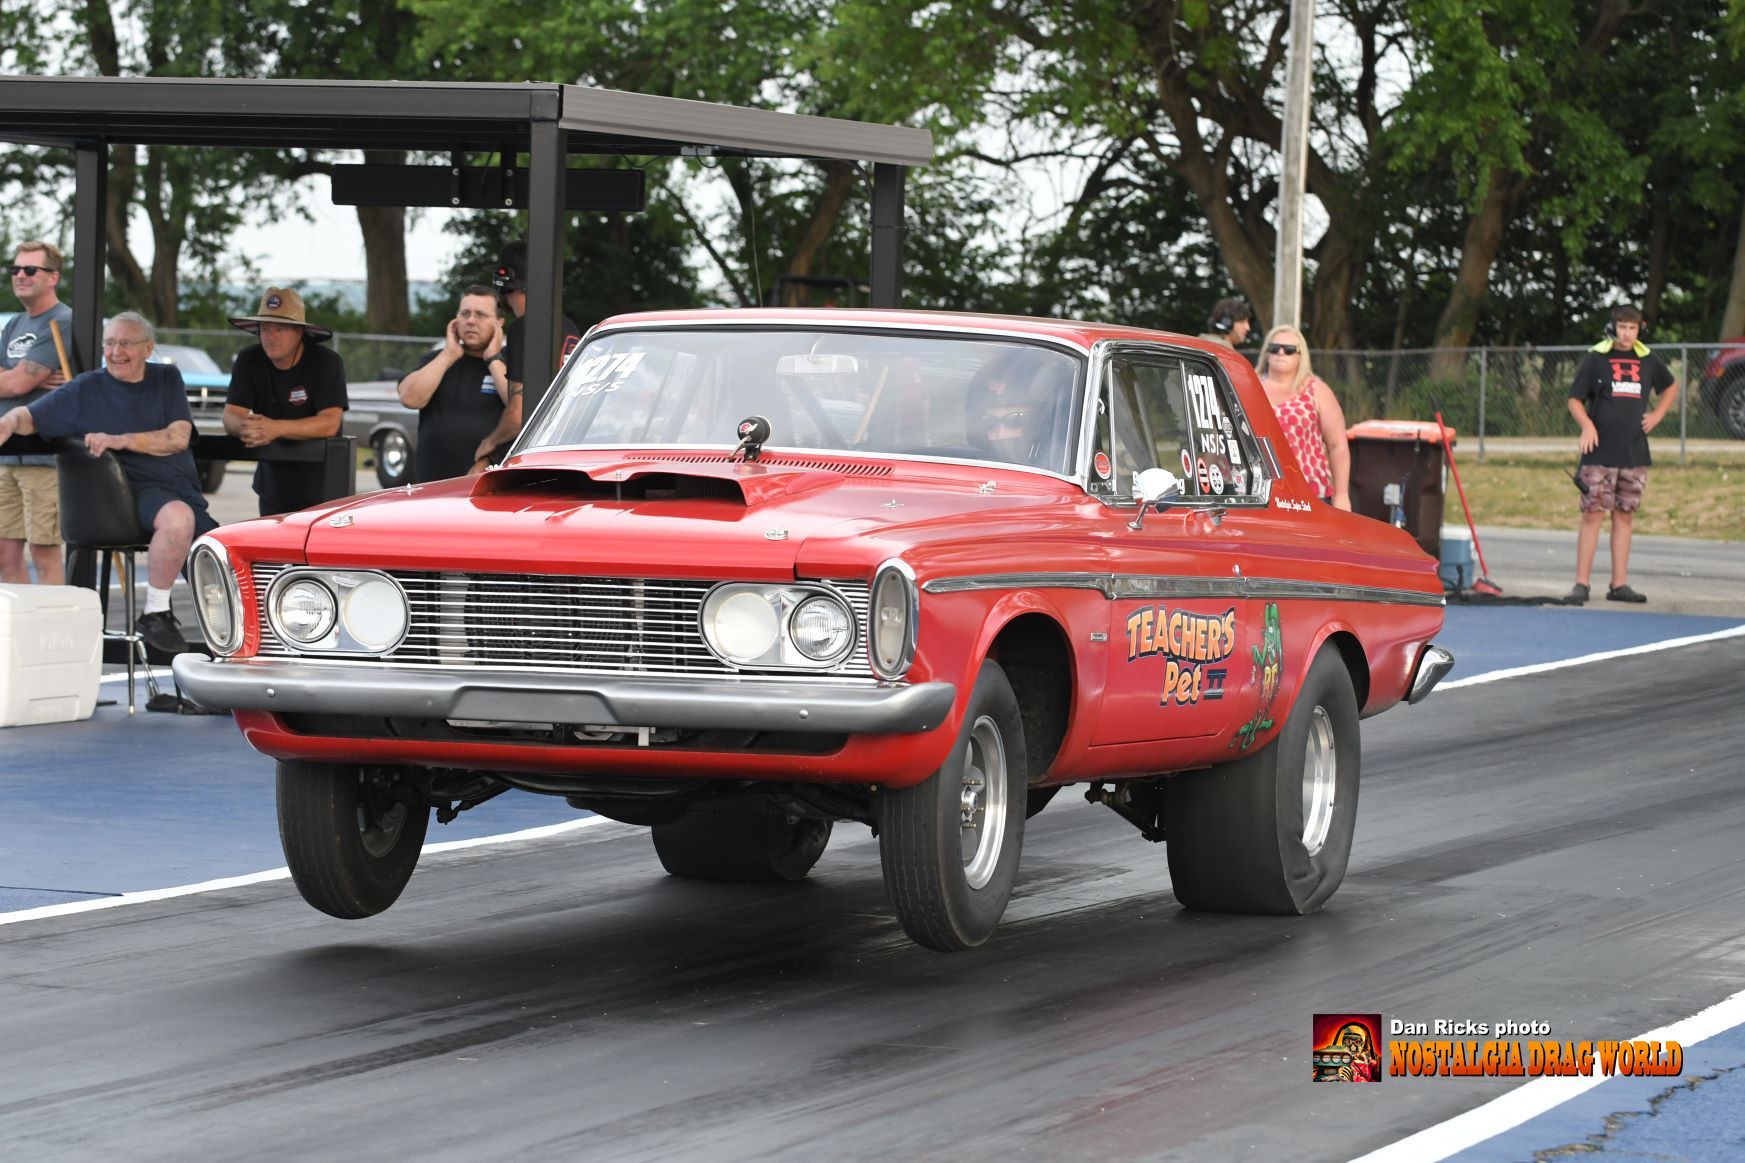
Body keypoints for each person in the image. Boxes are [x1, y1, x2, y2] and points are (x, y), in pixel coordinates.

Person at [0, 312, 215, 654]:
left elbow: (178, 438)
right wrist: (8, 421)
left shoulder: (167, 377)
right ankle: (156, 612)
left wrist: (120, 439)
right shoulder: (87, 387)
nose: (116, 351)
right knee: (179, 519)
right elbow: (30, 417)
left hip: (183, 492)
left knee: (222, 564)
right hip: (128, 497)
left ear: (148, 348)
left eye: (126, 343)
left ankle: (207, 673)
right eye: (110, 343)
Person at [1565, 305, 1678, 605]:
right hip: (1598, 451)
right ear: (1613, 327)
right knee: (1592, 515)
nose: (1627, 333)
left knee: (1624, 516)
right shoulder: (1596, 358)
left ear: (1640, 329)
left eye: (1633, 327)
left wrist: (1656, 415)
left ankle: (1619, 584)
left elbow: (1670, 387)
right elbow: (1574, 400)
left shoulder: (1648, 359)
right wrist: (1586, 425)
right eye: (1622, 327)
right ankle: (1581, 584)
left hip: (1633, 450)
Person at [222, 287, 349, 516]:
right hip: (272, 483)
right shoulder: (249, 359)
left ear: (299, 332)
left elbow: (330, 422)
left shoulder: (326, 362)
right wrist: (248, 428)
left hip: (323, 484)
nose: (271, 336)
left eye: (280, 329)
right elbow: (231, 414)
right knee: (273, 548)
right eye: (265, 328)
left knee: (318, 549)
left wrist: (276, 428)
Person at [0, 239, 72, 585]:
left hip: (43, 459)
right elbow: (15, 380)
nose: (21, 276)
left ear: (53, 277)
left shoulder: (63, 321)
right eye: (16, 269)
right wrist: (21, 378)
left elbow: (15, 385)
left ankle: (52, 633)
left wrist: (19, 379)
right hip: (6, 456)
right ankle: (20, 633)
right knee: (5, 556)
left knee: (44, 554)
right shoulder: (14, 324)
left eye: (30, 269)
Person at [481, 241, 582, 468]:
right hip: (568, 452)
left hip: (536, 457)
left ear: (505, 279)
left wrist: (490, 443)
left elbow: (519, 415)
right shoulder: (569, 327)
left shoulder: (524, 327)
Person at [397, 285, 510, 482]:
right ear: (455, 320)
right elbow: (409, 398)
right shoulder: (437, 360)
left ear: (499, 323)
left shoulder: (513, 362)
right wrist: (449, 354)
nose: (471, 321)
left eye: (480, 315)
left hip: (489, 486)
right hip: (432, 486)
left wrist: (493, 359)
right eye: (465, 313)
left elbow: (521, 407)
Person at [1257, 325, 1350, 509]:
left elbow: (1337, 445)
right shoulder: (1249, 384)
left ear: (1301, 356)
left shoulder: (1317, 390)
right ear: (1266, 353)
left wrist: (1341, 495)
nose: (1281, 353)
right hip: (1257, 491)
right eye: (1275, 348)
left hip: (1309, 492)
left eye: (1289, 350)